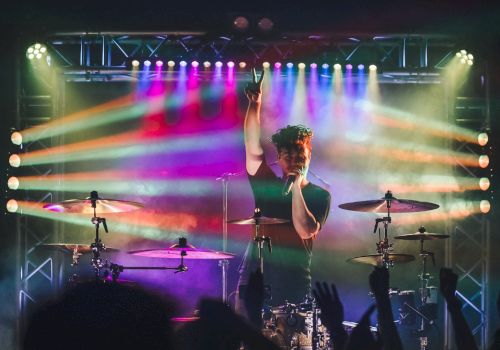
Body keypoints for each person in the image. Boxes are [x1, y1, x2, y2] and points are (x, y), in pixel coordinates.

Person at [238, 68, 331, 306]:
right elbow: (251, 144)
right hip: (256, 281)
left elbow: (305, 229)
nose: (294, 158)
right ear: (278, 158)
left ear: (309, 154)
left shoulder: (319, 195)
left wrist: (296, 187)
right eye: (287, 153)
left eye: (299, 152)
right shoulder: (266, 184)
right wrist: (255, 105)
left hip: (294, 285)